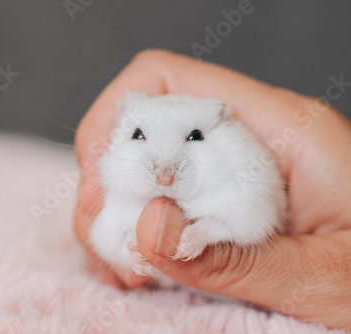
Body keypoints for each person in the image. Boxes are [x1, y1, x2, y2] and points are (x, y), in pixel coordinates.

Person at [73, 50, 351, 330]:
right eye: (139, 135)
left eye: (194, 136)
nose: (164, 173)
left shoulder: (246, 168)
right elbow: (105, 238)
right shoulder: (117, 190)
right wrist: (129, 254)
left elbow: (257, 220)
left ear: (223, 122)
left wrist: (209, 231)